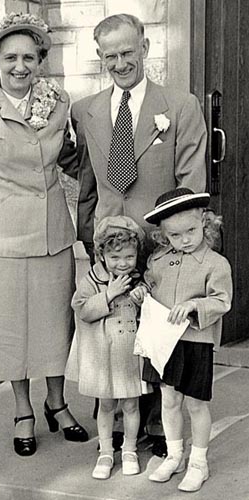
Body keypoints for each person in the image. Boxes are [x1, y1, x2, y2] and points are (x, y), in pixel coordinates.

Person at [70, 12, 208, 455]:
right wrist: (89, 238)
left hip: (158, 241)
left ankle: (156, 425)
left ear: (145, 48)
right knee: (112, 331)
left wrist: (181, 242)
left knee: (157, 333)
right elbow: (89, 182)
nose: (120, 62)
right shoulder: (85, 110)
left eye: (128, 51)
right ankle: (110, 427)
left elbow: (190, 181)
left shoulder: (180, 106)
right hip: (111, 244)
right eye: (110, 55)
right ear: (100, 57)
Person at [0, 12, 87, 457]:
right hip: (2, 236)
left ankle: (57, 403)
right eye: (10, 57)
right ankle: (23, 410)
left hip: (52, 233)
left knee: (53, 322)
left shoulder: (58, 99)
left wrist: (113, 173)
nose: (20, 66)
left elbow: (69, 158)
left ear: (41, 60)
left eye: (29, 57)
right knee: (12, 330)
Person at [139, 187, 233, 492]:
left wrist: (195, 305)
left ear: (205, 223)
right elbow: (149, 286)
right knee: (169, 399)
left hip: (196, 341)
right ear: (165, 236)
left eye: (191, 231)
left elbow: (222, 301)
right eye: (175, 236)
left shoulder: (215, 264)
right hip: (165, 342)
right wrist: (142, 292)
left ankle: (198, 462)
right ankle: (175, 455)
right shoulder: (159, 261)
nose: (185, 240)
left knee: (195, 404)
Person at [72, 216, 148, 479]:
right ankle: (106, 451)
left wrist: (142, 299)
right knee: (106, 405)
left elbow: (150, 311)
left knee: (131, 405)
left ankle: (129, 448)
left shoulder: (139, 279)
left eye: (129, 257)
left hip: (129, 355)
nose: (123, 264)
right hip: (104, 355)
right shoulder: (92, 280)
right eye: (115, 258)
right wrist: (108, 294)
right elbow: (82, 309)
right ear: (102, 255)